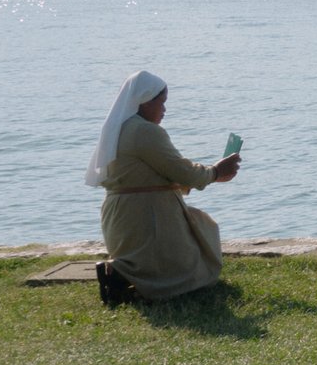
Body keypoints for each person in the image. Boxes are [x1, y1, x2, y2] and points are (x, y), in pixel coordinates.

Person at [83, 70, 241, 303]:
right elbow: (181, 171)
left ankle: (123, 274)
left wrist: (212, 175)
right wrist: (216, 171)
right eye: (162, 103)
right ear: (145, 102)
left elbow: (158, 173)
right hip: (146, 216)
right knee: (192, 272)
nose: (165, 110)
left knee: (196, 227)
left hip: (122, 215)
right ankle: (120, 275)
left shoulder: (120, 128)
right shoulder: (144, 131)